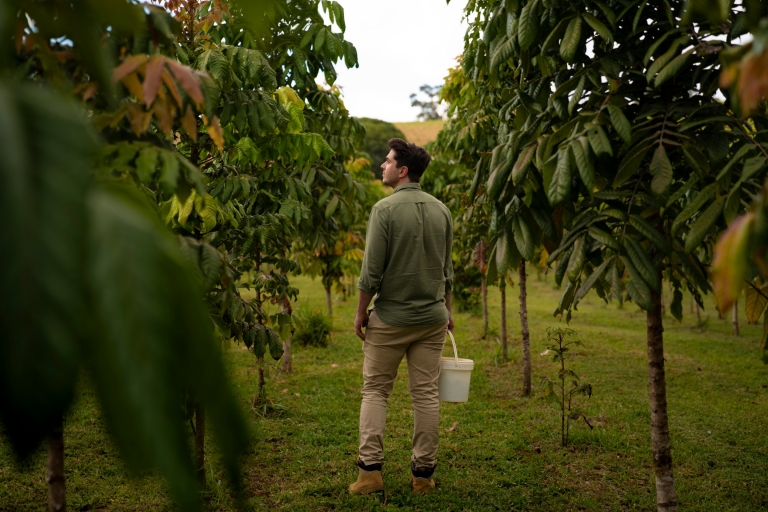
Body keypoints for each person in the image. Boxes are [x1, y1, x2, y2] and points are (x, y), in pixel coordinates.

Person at [349, 138, 454, 495]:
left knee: (376, 390)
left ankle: (370, 474)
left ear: (403, 170)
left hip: (391, 318)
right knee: (425, 394)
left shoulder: (384, 210)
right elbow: (447, 270)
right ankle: (423, 475)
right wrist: (448, 312)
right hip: (432, 317)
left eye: (388, 161)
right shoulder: (442, 210)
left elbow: (371, 271)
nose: (382, 165)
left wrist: (362, 312)